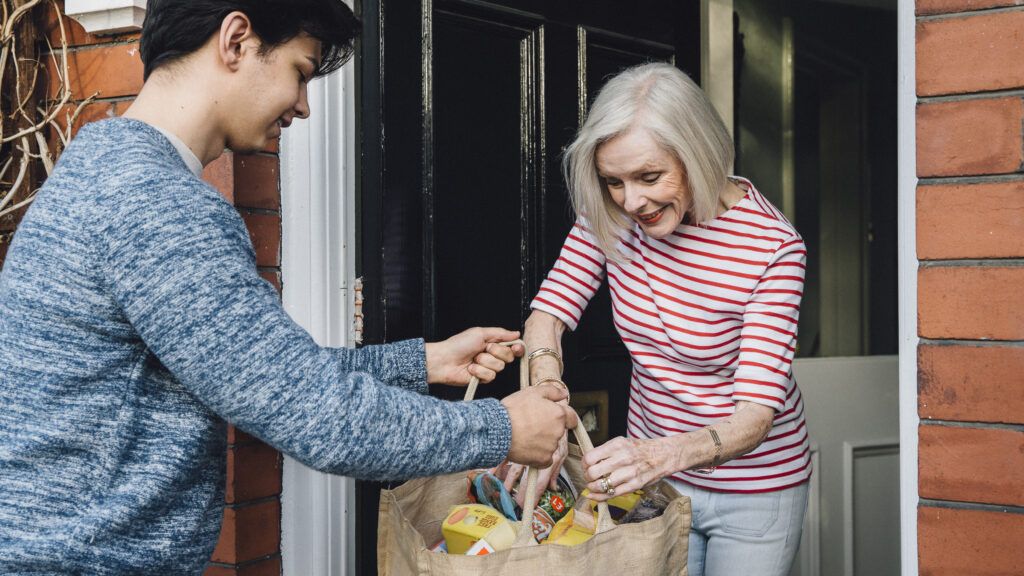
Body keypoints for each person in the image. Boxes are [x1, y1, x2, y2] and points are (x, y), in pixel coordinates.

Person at [0, 1, 577, 573]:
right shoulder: (157, 205)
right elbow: (317, 416)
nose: (302, 106)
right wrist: (503, 428)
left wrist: (421, 362)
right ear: (235, 40)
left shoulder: (106, 170)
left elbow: (267, 373)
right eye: (300, 72)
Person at [511, 62, 810, 575]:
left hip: (754, 488)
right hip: (654, 480)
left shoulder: (772, 249)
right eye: (614, 181)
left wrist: (658, 456)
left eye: (650, 177)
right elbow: (549, 315)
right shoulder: (612, 214)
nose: (633, 201)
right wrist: (547, 400)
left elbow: (756, 416)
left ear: (699, 153)